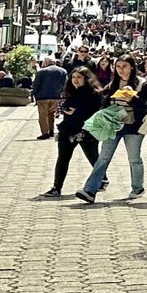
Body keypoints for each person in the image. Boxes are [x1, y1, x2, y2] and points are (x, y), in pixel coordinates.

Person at [76, 57, 145, 201]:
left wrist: (133, 100)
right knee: (103, 157)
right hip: (112, 125)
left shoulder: (142, 84)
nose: (121, 69)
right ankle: (90, 190)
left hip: (133, 127)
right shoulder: (112, 84)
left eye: (124, 66)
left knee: (134, 158)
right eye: (118, 66)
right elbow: (103, 100)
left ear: (132, 67)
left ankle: (138, 188)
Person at [44, 67, 104, 198]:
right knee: (63, 158)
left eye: (79, 77)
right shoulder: (69, 92)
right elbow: (65, 109)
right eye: (73, 77)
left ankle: (102, 178)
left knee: (93, 157)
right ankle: (56, 187)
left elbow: (96, 112)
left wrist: (76, 112)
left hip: (85, 131)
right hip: (67, 129)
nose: (75, 80)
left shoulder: (94, 94)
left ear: (86, 79)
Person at [32, 57, 68, 139]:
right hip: (56, 96)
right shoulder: (63, 71)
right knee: (51, 114)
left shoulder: (41, 71)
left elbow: (36, 85)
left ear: (46, 62)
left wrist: (35, 96)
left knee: (43, 116)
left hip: (42, 97)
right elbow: (65, 84)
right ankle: (51, 131)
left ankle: (45, 133)